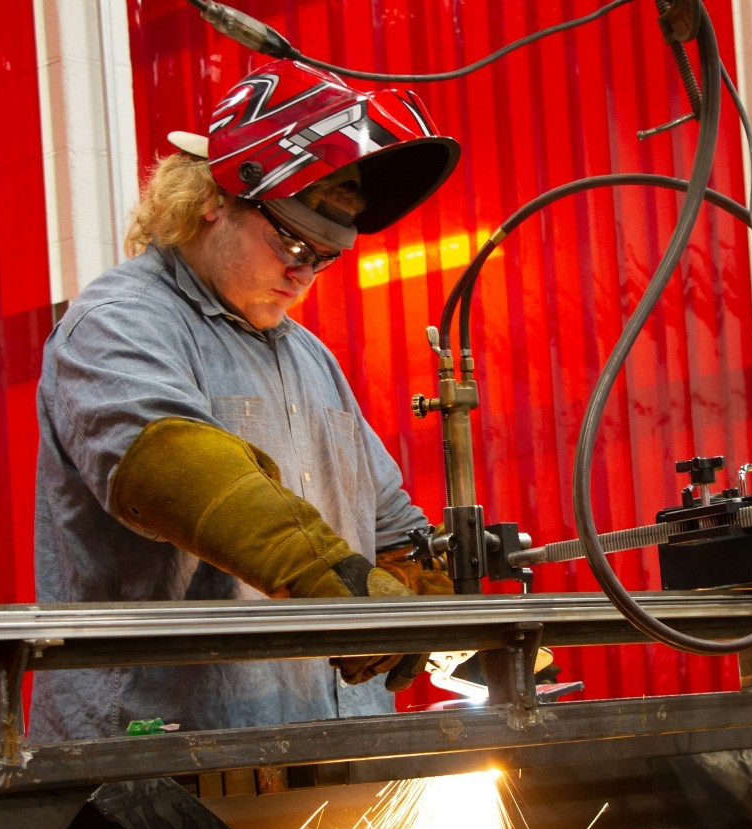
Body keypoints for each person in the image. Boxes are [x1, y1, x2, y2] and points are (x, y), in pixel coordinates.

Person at [27, 60, 461, 741]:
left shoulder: (309, 358)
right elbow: (177, 469)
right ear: (214, 198)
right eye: (290, 239)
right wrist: (333, 584)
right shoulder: (118, 322)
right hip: (167, 758)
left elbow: (384, 518)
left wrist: (422, 572)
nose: (303, 271)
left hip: (327, 744)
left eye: (324, 257)